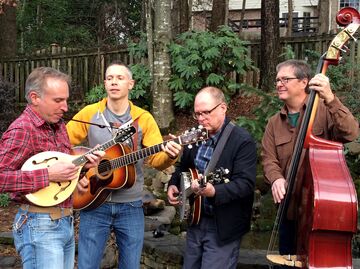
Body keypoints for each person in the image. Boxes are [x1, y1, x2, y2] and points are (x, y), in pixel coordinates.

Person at [66, 60, 182, 269]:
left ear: (131, 84)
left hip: (130, 205)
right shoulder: (90, 113)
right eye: (109, 78)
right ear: (104, 84)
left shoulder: (143, 118)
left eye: (120, 78)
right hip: (93, 203)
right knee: (86, 265)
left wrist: (170, 156)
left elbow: (156, 160)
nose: (114, 82)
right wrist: (77, 177)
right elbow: (61, 144)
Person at [0, 67, 104, 269]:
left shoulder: (58, 126)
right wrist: (46, 174)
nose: (65, 107)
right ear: (35, 97)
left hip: (64, 221)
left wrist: (83, 166)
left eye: (65, 100)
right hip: (39, 224)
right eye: (58, 100)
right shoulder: (23, 129)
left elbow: (61, 175)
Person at [261, 59, 359, 259]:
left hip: (321, 209)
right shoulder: (273, 123)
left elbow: (351, 133)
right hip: (288, 210)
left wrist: (331, 98)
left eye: (285, 79)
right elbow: (269, 159)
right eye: (277, 80)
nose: (279, 84)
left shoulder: (324, 110)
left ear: (304, 82)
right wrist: (276, 178)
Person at [167, 86, 257, 269]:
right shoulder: (196, 134)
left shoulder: (242, 140)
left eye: (206, 112)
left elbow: (246, 184)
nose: (201, 119)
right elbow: (183, 166)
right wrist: (173, 183)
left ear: (223, 108)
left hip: (223, 225)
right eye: (197, 114)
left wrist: (214, 191)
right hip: (196, 219)